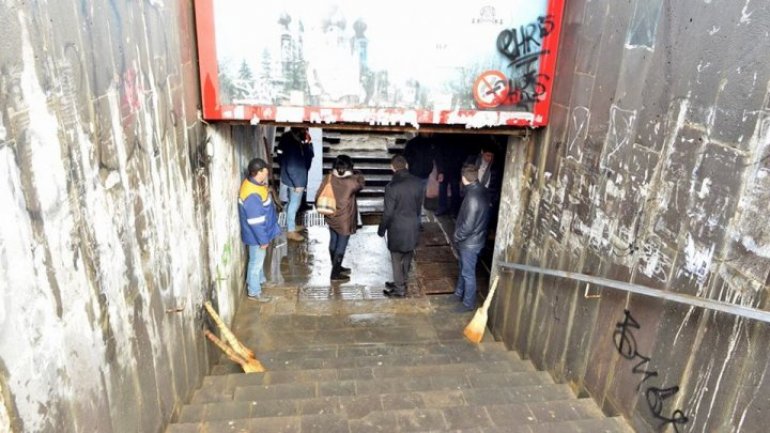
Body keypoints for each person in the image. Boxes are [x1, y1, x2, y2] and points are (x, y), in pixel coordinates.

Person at [378, 155, 423, 298]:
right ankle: (401, 281)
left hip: (397, 228)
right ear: (407, 165)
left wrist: (382, 229)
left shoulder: (392, 187)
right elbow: (418, 207)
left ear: (392, 167)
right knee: (408, 255)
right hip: (412, 225)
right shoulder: (418, 183)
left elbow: (388, 213)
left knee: (396, 258)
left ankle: (399, 289)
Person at [239, 158, 282, 302]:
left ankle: (261, 281)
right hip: (256, 235)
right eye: (265, 170)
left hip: (261, 233)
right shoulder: (251, 194)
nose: (267, 172)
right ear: (259, 172)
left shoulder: (253, 183)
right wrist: (263, 240)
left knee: (259, 260)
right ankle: (254, 291)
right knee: (255, 263)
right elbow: (255, 221)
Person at [316, 155, 365, 281]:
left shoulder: (328, 178)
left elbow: (318, 194)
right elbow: (362, 182)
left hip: (330, 214)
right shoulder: (352, 182)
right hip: (345, 219)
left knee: (333, 240)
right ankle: (335, 274)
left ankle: (336, 267)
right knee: (341, 245)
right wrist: (353, 173)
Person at [453, 163, 491, 312]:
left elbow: (468, 225)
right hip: (478, 237)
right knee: (463, 268)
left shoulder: (472, 198)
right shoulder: (482, 190)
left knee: (468, 273)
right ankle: (458, 293)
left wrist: (457, 236)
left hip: (470, 242)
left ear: (463, 179)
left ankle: (468, 303)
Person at [277, 127, 314, 241]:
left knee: (291, 203)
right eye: (305, 130)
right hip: (296, 179)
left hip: (288, 177)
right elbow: (296, 164)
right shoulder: (295, 143)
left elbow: (280, 155)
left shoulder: (286, 138)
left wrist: (308, 144)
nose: (307, 132)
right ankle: (290, 231)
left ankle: (289, 224)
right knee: (294, 204)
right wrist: (297, 183)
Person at [403, 132, 436, 225]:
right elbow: (406, 157)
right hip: (415, 175)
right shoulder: (413, 143)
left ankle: (416, 222)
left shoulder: (430, 143)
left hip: (423, 175)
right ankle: (415, 222)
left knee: (418, 200)